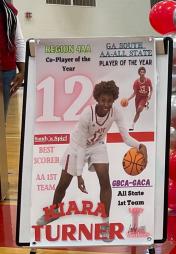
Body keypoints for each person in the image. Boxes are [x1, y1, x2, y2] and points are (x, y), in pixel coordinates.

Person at [39, 80, 147, 225]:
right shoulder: (87, 115)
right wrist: (79, 176)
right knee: (63, 183)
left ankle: (105, 222)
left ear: (114, 99)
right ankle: (53, 212)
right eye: (103, 100)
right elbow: (82, 147)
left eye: (110, 100)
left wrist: (140, 146)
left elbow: (126, 138)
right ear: (97, 99)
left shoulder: (116, 112)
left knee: (105, 180)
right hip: (78, 146)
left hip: (97, 145)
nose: (106, 104)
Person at [0, 0, 26, 118]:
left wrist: (22, 72)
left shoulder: (9, 11)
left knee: (2, 116)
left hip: (6, 72)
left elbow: (19, 41)